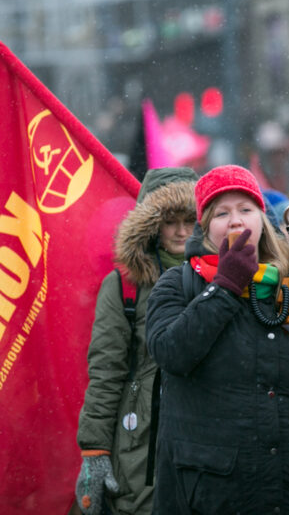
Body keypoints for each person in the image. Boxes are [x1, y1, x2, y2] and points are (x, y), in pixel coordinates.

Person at [146, 165, 289, 513]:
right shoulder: (177, 283)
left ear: (261, 219)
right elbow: (171, 353)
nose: (235, 221)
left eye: (245, 209)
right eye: (222, 213)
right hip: (214, 492)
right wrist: (226, 287)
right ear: (205, 227)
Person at [76, 167, 199, 515]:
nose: (181, 231)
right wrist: (95, 451)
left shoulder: (225, 279)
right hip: (142, 441)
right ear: (151, 226)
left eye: (190, 220)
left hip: (209, 435)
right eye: (170, 221)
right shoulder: (124, 286)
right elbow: (106, 371)